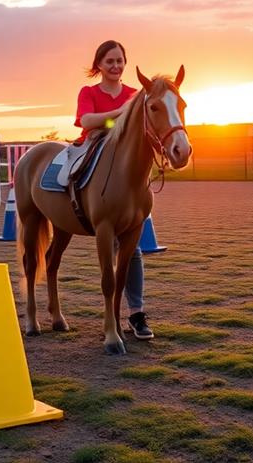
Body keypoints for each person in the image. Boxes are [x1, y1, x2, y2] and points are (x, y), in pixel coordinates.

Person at [73, 39, 153, 340]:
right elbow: (87, 121)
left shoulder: (136, 93)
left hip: (126, 164)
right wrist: (119, 114)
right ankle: (76, 200)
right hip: (95, 148)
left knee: (133, 252)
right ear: (99, 66)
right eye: (110, 61)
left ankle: (136, 313)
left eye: (120, 60)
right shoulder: (89, 92)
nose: (116, 66)